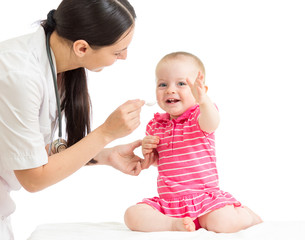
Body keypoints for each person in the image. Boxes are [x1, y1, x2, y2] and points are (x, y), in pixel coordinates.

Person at [0, 0, 145, 239]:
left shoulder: (55, 66)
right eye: (118, 51)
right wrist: (106, 132)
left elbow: (32, 151)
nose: (125, 57)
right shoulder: (19, 75)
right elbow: (34, 179)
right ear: (82, 48)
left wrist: (104, 155)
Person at [124, 51, 262, 233]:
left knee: (222, 222)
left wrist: (204, 102)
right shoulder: (156, 125)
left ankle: (247, 216)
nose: (170, 90)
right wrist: (148, 151)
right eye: (162, 84)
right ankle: (173, 225)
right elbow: (159, 161)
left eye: (181, 83)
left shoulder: (199, 117)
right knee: (132, 215)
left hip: (205, 201)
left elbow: (213, 122)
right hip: (170, 204)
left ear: (200, 90)